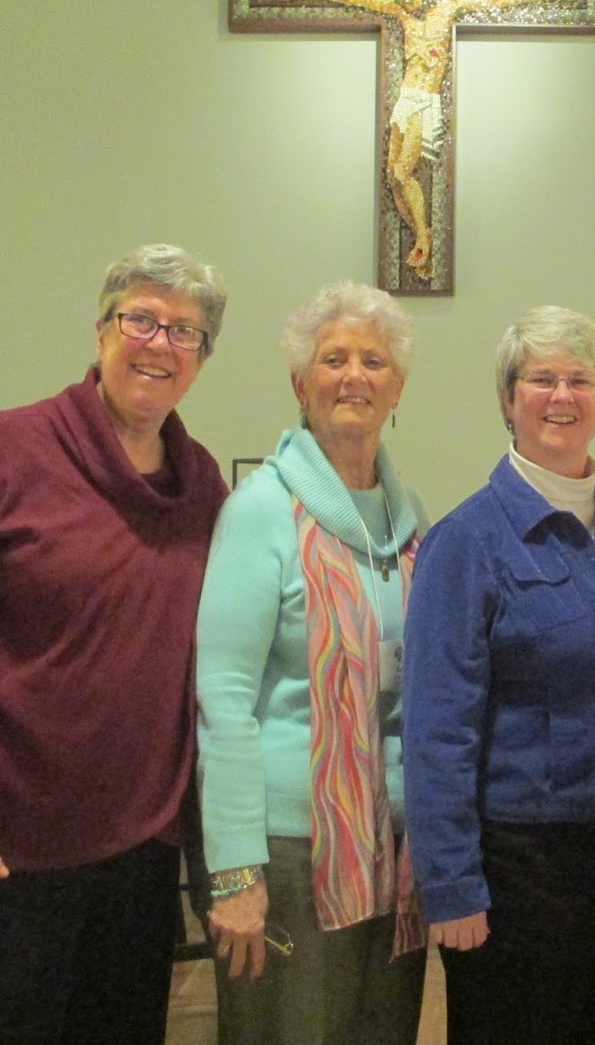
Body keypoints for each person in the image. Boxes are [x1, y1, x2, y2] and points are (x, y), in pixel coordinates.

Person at [0, 243, 229, 1045]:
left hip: (139, 851)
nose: (159, 344)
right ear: (101, 330)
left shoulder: (201, 486)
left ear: (201, 357)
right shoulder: (9, 447)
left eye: (184, 331)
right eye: (140, 319)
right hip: (3, 846)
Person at [401, 306, 595, 1045]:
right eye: (541, 379)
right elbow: (436, 729)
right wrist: (451, 884)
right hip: (524, 869)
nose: (562, 396)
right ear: (508, 398)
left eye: (581, 380)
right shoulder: (466, 542)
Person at [195, 280, 429, 1044]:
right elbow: (224, 695)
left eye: (373, 361)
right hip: (291, 850)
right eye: (333, 359)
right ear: (301, 384)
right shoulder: (261, 510)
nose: (354, 375)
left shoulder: (411, 522)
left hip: (393, 843)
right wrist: (236, 871)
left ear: (398, 388)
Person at [272, 0, 568, 280]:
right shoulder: (402, 15)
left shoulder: (448, 10)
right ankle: (422, 236)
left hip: (426, 100)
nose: (408, 4)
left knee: (403, 172)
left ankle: (424, 240)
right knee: (393, 177)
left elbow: (491, 0)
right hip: (406, 98)